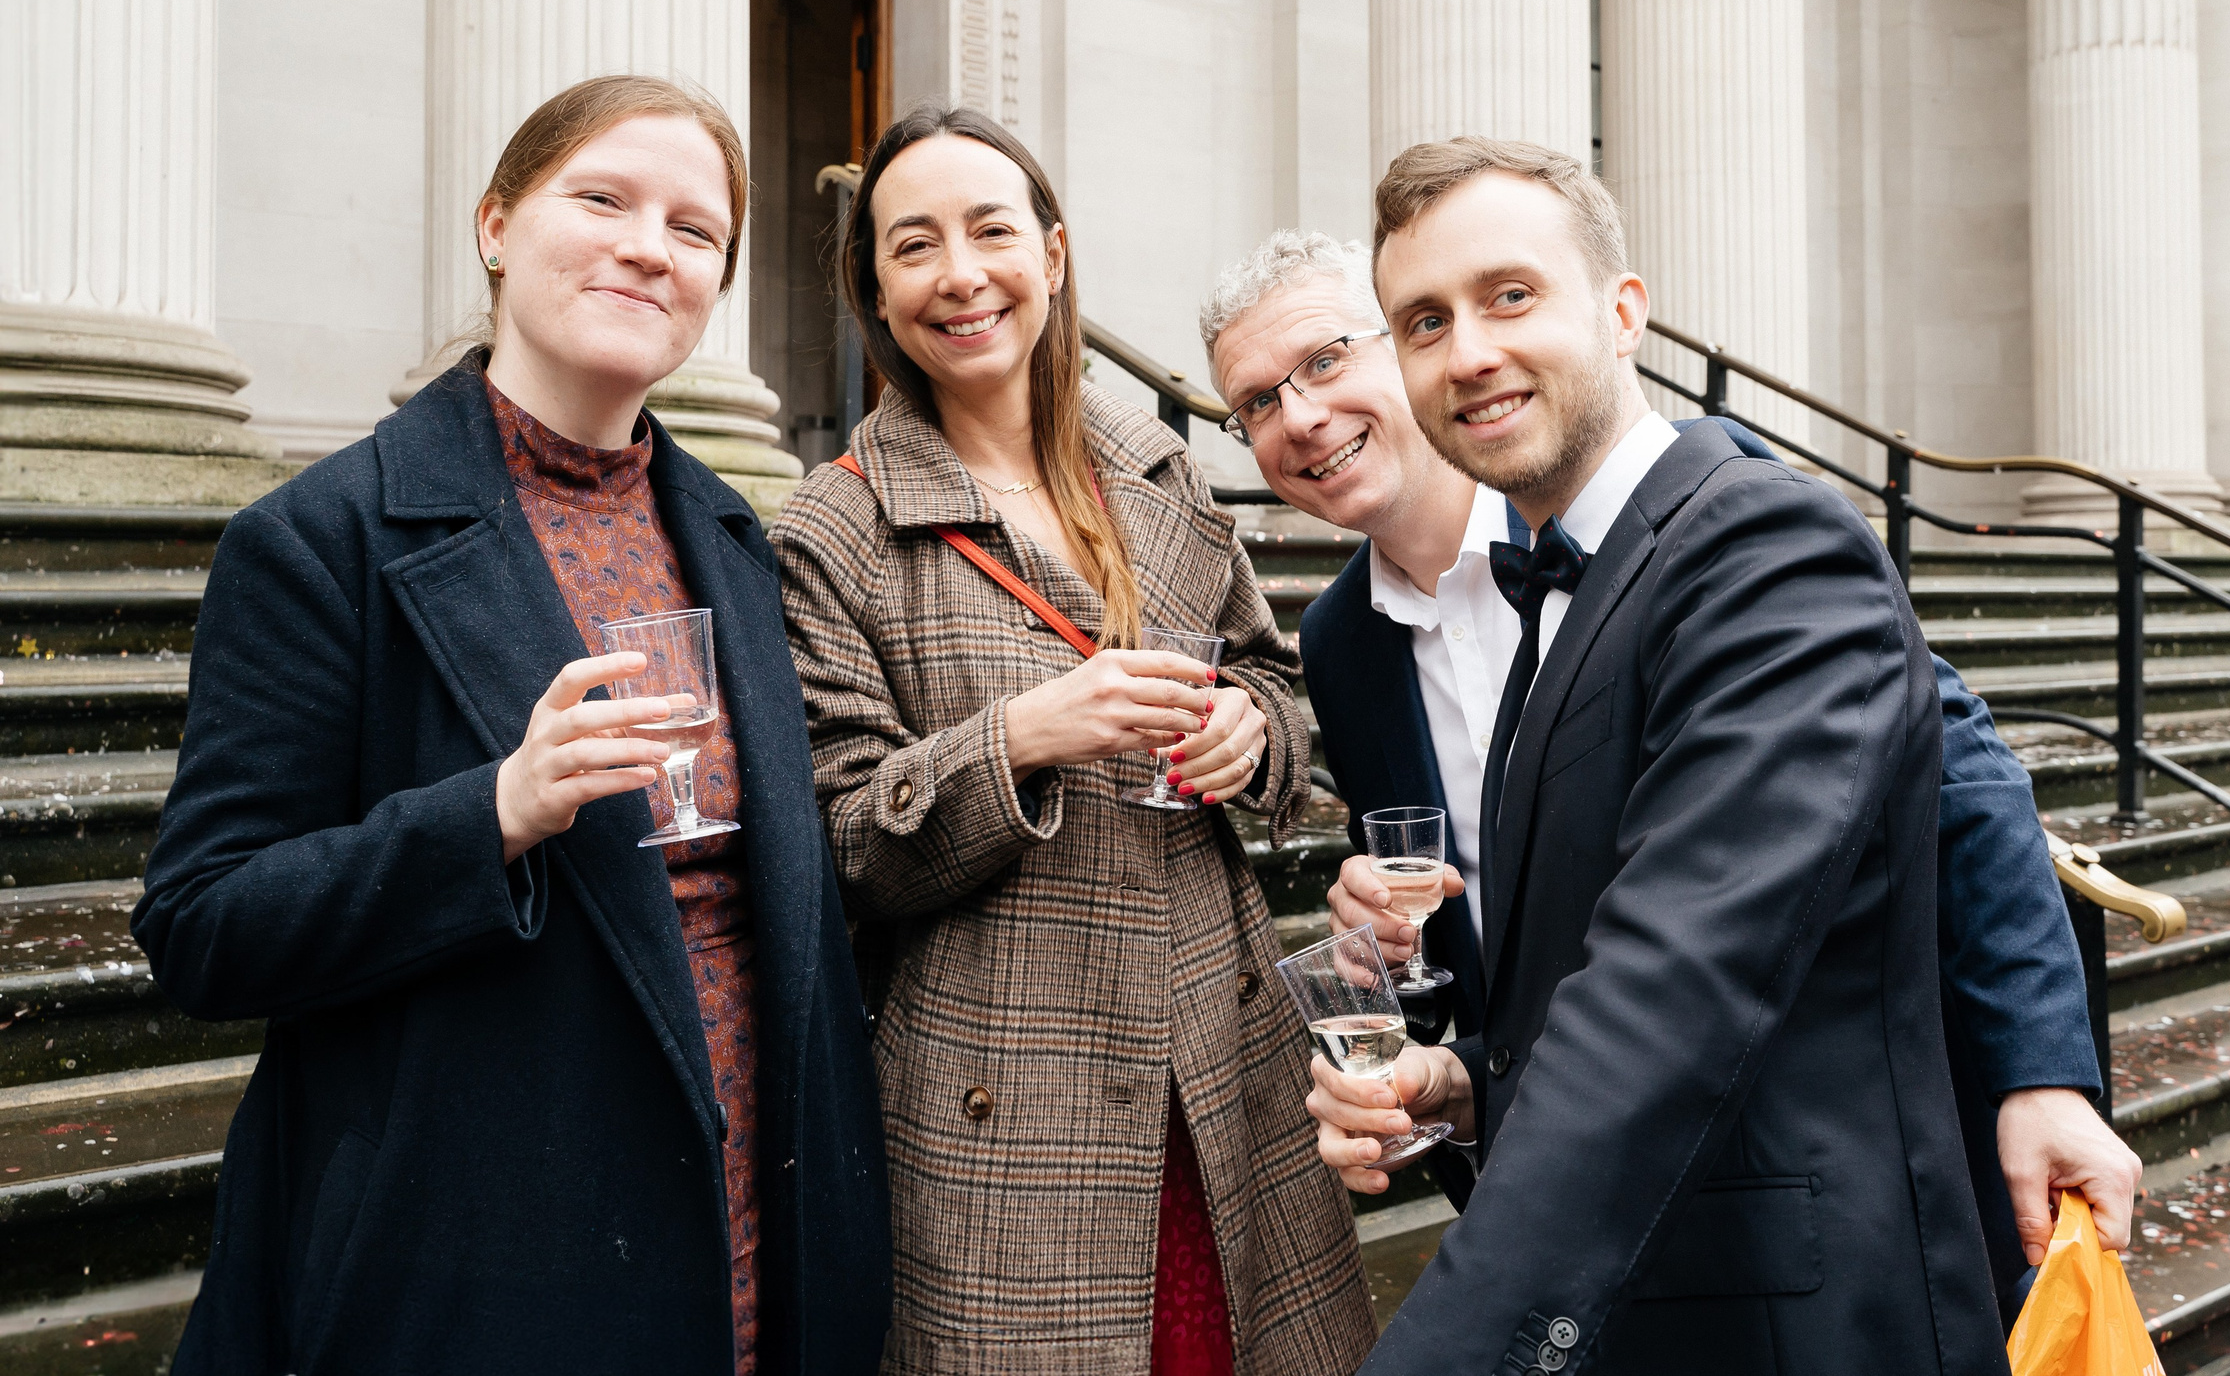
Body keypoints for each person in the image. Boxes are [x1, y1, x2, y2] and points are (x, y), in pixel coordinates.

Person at [1200, 229, 2137, 1308]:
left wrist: (2043, 1073)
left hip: (1805, 1157)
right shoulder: (1338, 643)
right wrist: (1389, 942)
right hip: (1578, 1181)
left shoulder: (1663, 502)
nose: (1299, 417)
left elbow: (1955, 772)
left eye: (1324, 360)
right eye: (1256, 403)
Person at [131, 76, 892, 1376]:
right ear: (495, 226)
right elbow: (205, 925)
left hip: (752, 1231)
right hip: (489, 1259)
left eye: (695, 228)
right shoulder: (322, 541)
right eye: (601, 198)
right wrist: (493, 810)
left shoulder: (732, 537)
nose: (650, 244)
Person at [1301, 138, 2012, 1374]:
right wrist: (1463, 1081)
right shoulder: (1547, 602)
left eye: (1509, 295)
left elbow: (1675, 989)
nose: (1466, 352)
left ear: (1623, 313)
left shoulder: (1766, 551)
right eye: (1422, 321)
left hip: (1791, 1320)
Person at [767, 105, 1375, 1376]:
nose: (960, 272)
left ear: (1050, 253)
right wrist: (1022, 736)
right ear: (874, 285)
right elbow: (836, 843)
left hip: (1226, 1067)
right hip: (1006, 1112)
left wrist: (1245, 730)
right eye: (913, 243)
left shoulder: (1154, 466)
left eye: (991, 229)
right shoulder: (833, 528)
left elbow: (1273, 682)